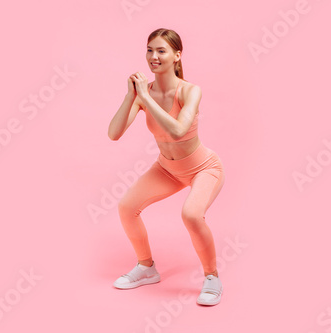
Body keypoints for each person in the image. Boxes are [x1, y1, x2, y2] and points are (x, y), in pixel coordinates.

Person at [107, 28, 226, 306]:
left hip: (203, 167)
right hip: (167, 169)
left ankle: (212, 277)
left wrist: (145, 99)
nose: (154, 56)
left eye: (161, 51)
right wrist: (131, 96)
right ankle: (146, 267)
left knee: (192, 215)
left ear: (177, 55)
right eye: (150, 50)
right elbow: (113, 133)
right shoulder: (143, 94)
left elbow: (178, 130)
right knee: (126, 207)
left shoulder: (190, 91)